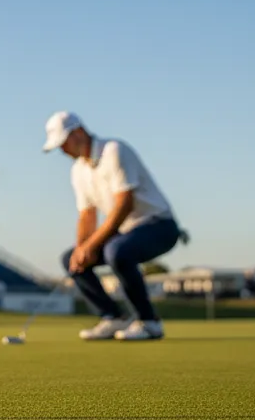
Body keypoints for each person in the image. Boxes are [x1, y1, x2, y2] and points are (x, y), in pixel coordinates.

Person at [44, 111, 182, 342]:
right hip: (126, 232)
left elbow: (124, 204)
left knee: (116, 251)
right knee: (72, 260)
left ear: (78, 133)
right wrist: (81, 249)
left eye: (63, 143)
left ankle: (149, 322)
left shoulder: (114, 151)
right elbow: (87, 216)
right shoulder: (78, 171)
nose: (62, 150)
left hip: (160, 227)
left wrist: (93, 244)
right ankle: (112, 317)